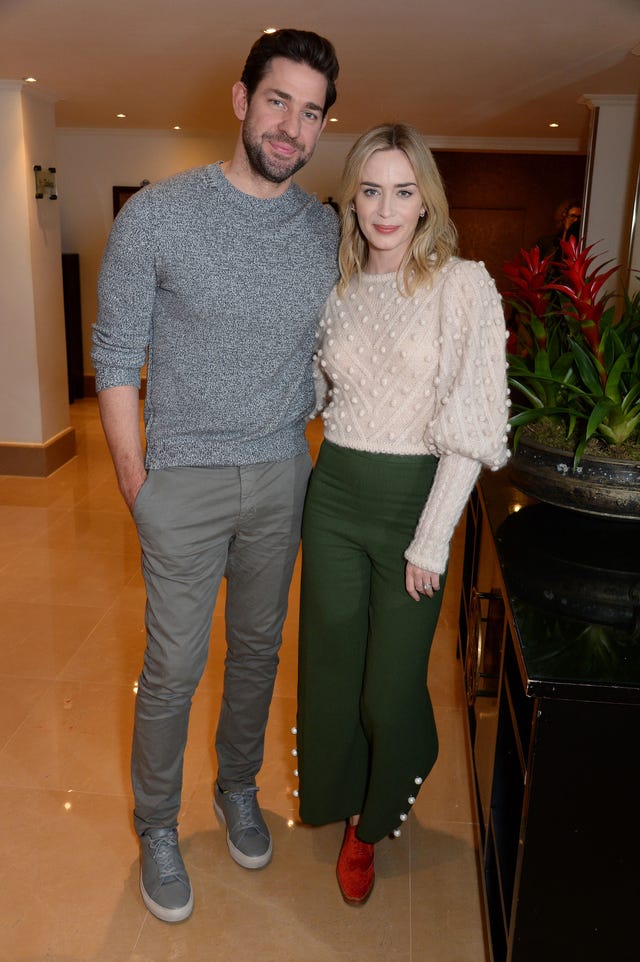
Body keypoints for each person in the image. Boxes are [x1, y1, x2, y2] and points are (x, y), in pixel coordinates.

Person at [91, 28, 339, 924]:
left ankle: (239, 786)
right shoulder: (157, 214)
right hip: (183, 483)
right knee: (173, 666)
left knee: (261, 652)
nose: (292, 126)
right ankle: (157, 823)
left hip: (282, 472)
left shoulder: (323, 229)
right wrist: (137, 483)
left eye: (311, 112)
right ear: (241, 102)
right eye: (278, 101)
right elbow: (114, 353)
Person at [295, 123, 510, 905]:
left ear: (428, 201)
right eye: (371, 190)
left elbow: (476, 427)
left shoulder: (462, 286)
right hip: (336, 494)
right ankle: (350, 809)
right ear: (352, 199)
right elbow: (323, 393)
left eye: (404, 190)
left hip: (413, 504)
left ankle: (380, 806)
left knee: (388, 690)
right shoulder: (341, 290)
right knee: (331, 670)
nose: (386, 208)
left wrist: (432, 539)